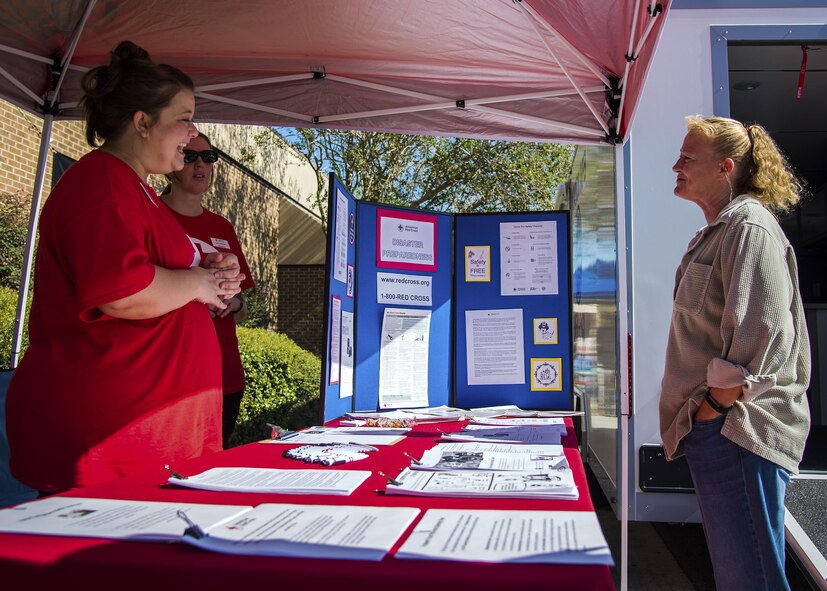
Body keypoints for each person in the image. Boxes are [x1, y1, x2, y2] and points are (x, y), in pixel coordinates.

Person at [6, 41, 245, 493]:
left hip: (137, 440)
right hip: (108, 440)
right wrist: (196, 281)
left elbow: (157, 272)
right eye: (184, 119)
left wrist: (209, 272)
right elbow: (123, 292)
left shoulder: (137, 191)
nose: (193, 136)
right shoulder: (100, 183)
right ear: (142, 122)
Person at [660, 115, 811, 591]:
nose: (675, 165)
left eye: (688, 157)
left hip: (737, 432)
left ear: (725, 167)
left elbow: (762, 338)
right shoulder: (721, 230)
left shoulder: (749, 228)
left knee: (751, 580)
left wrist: (711, 412)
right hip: (721, 430)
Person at [160, 133, 255, 448]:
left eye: (209, 157)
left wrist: (233, 305)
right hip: (171, 375)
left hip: (223, 375)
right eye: (190, 156)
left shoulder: (222, 227)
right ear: (173, 163)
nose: (200, 165)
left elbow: (242, 304)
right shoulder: (154, 216)